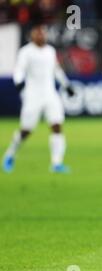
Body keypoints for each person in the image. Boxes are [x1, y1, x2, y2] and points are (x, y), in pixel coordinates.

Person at [2, 23, 74, 173]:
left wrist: (66, 85)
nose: (41, 35)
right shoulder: (26, 52)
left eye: (43, 32)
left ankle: (56, 163)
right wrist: (19, 82)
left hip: (50, 94)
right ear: (32, 35)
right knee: (26, 130)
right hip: (33, 95)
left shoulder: (50, 51)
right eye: (38, 33)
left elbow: (56, 70)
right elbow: (19, 70)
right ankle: (9, 154)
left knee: (57, 125)